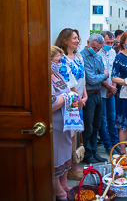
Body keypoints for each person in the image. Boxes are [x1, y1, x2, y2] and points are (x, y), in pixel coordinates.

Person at [54, 28, 88, 181]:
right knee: (71, 135)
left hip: (80, 99)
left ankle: (72, 164)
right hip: (72, 102)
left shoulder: (78, 55)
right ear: (65, 40)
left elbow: (82, 77)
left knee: (76, 134)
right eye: (74, 38)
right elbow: (68, 82)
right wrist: (78, 99)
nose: (77, 40)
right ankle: (70, 167)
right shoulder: (62, 59)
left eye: (78, 37)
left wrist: (84, 94)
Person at [50, 45, 74, 200]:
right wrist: (66, 97)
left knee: (66, 153)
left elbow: (66, 89)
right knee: (56, 156)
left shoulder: (56, 74)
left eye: (60, 59)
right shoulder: (41, 76)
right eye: (56, 60)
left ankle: (64, 184)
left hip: (66, 122)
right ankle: (58, 190)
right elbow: (51, 103)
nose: (59, 63)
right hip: (55, 125)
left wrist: (69, 95)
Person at [81, 33, 109, 164]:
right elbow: (91, 79)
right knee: (88, 126)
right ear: (88, 42)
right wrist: (103, 75)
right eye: (95, 47)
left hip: (98, 93)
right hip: (89, 94)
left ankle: (94, 152)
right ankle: (87, 154)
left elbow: (102, 71)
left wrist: (101, 75)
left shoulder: (98, 56)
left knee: (97, 125)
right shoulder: (82, 57)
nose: (97, 50)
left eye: (99, 48)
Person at [98, 31, 120, 156]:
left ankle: (115, 143)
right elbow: (99, 74)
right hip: (101, 91)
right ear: (102, 42)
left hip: (111, 90)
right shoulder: (97, 53)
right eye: (108, 43)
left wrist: (114, 87)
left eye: (112, 43)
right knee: (103, 119)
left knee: (112, 118)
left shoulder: (113, 52)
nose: (110, 45)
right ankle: (107, 145)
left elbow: (114, 72)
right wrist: (109, 87)